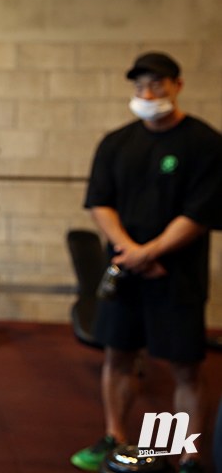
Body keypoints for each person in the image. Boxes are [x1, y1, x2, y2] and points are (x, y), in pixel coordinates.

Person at [70, 52, 222, 473]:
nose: (148, 93)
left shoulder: (206, 144)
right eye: (140, 86)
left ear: (177, 85)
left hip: (178, 276)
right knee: (117, 356)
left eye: (157, 84)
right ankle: (115, 439)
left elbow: (199, 213)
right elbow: (99, 203)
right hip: (125, 273)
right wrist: (133, 252)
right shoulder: (116, 143)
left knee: (185, 367)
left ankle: (185, 455)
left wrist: (150, 252)